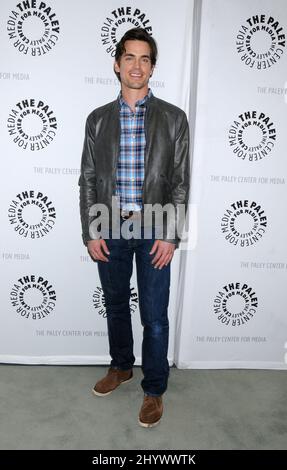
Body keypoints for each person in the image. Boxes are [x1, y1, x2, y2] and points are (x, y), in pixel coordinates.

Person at [79, 28, 190, 428]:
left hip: (155, 226)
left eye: (144, 59)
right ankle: (121, 366)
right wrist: (91, 231)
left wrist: (170, 234)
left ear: (152, 67)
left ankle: (154, 389)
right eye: (130, 57)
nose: (136, 66)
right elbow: (88, 178)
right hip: (108, 225)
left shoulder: (174, 119)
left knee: (155, 316)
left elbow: (180, 181)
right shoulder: (98, 120)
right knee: (115, 304)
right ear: (117, 63)